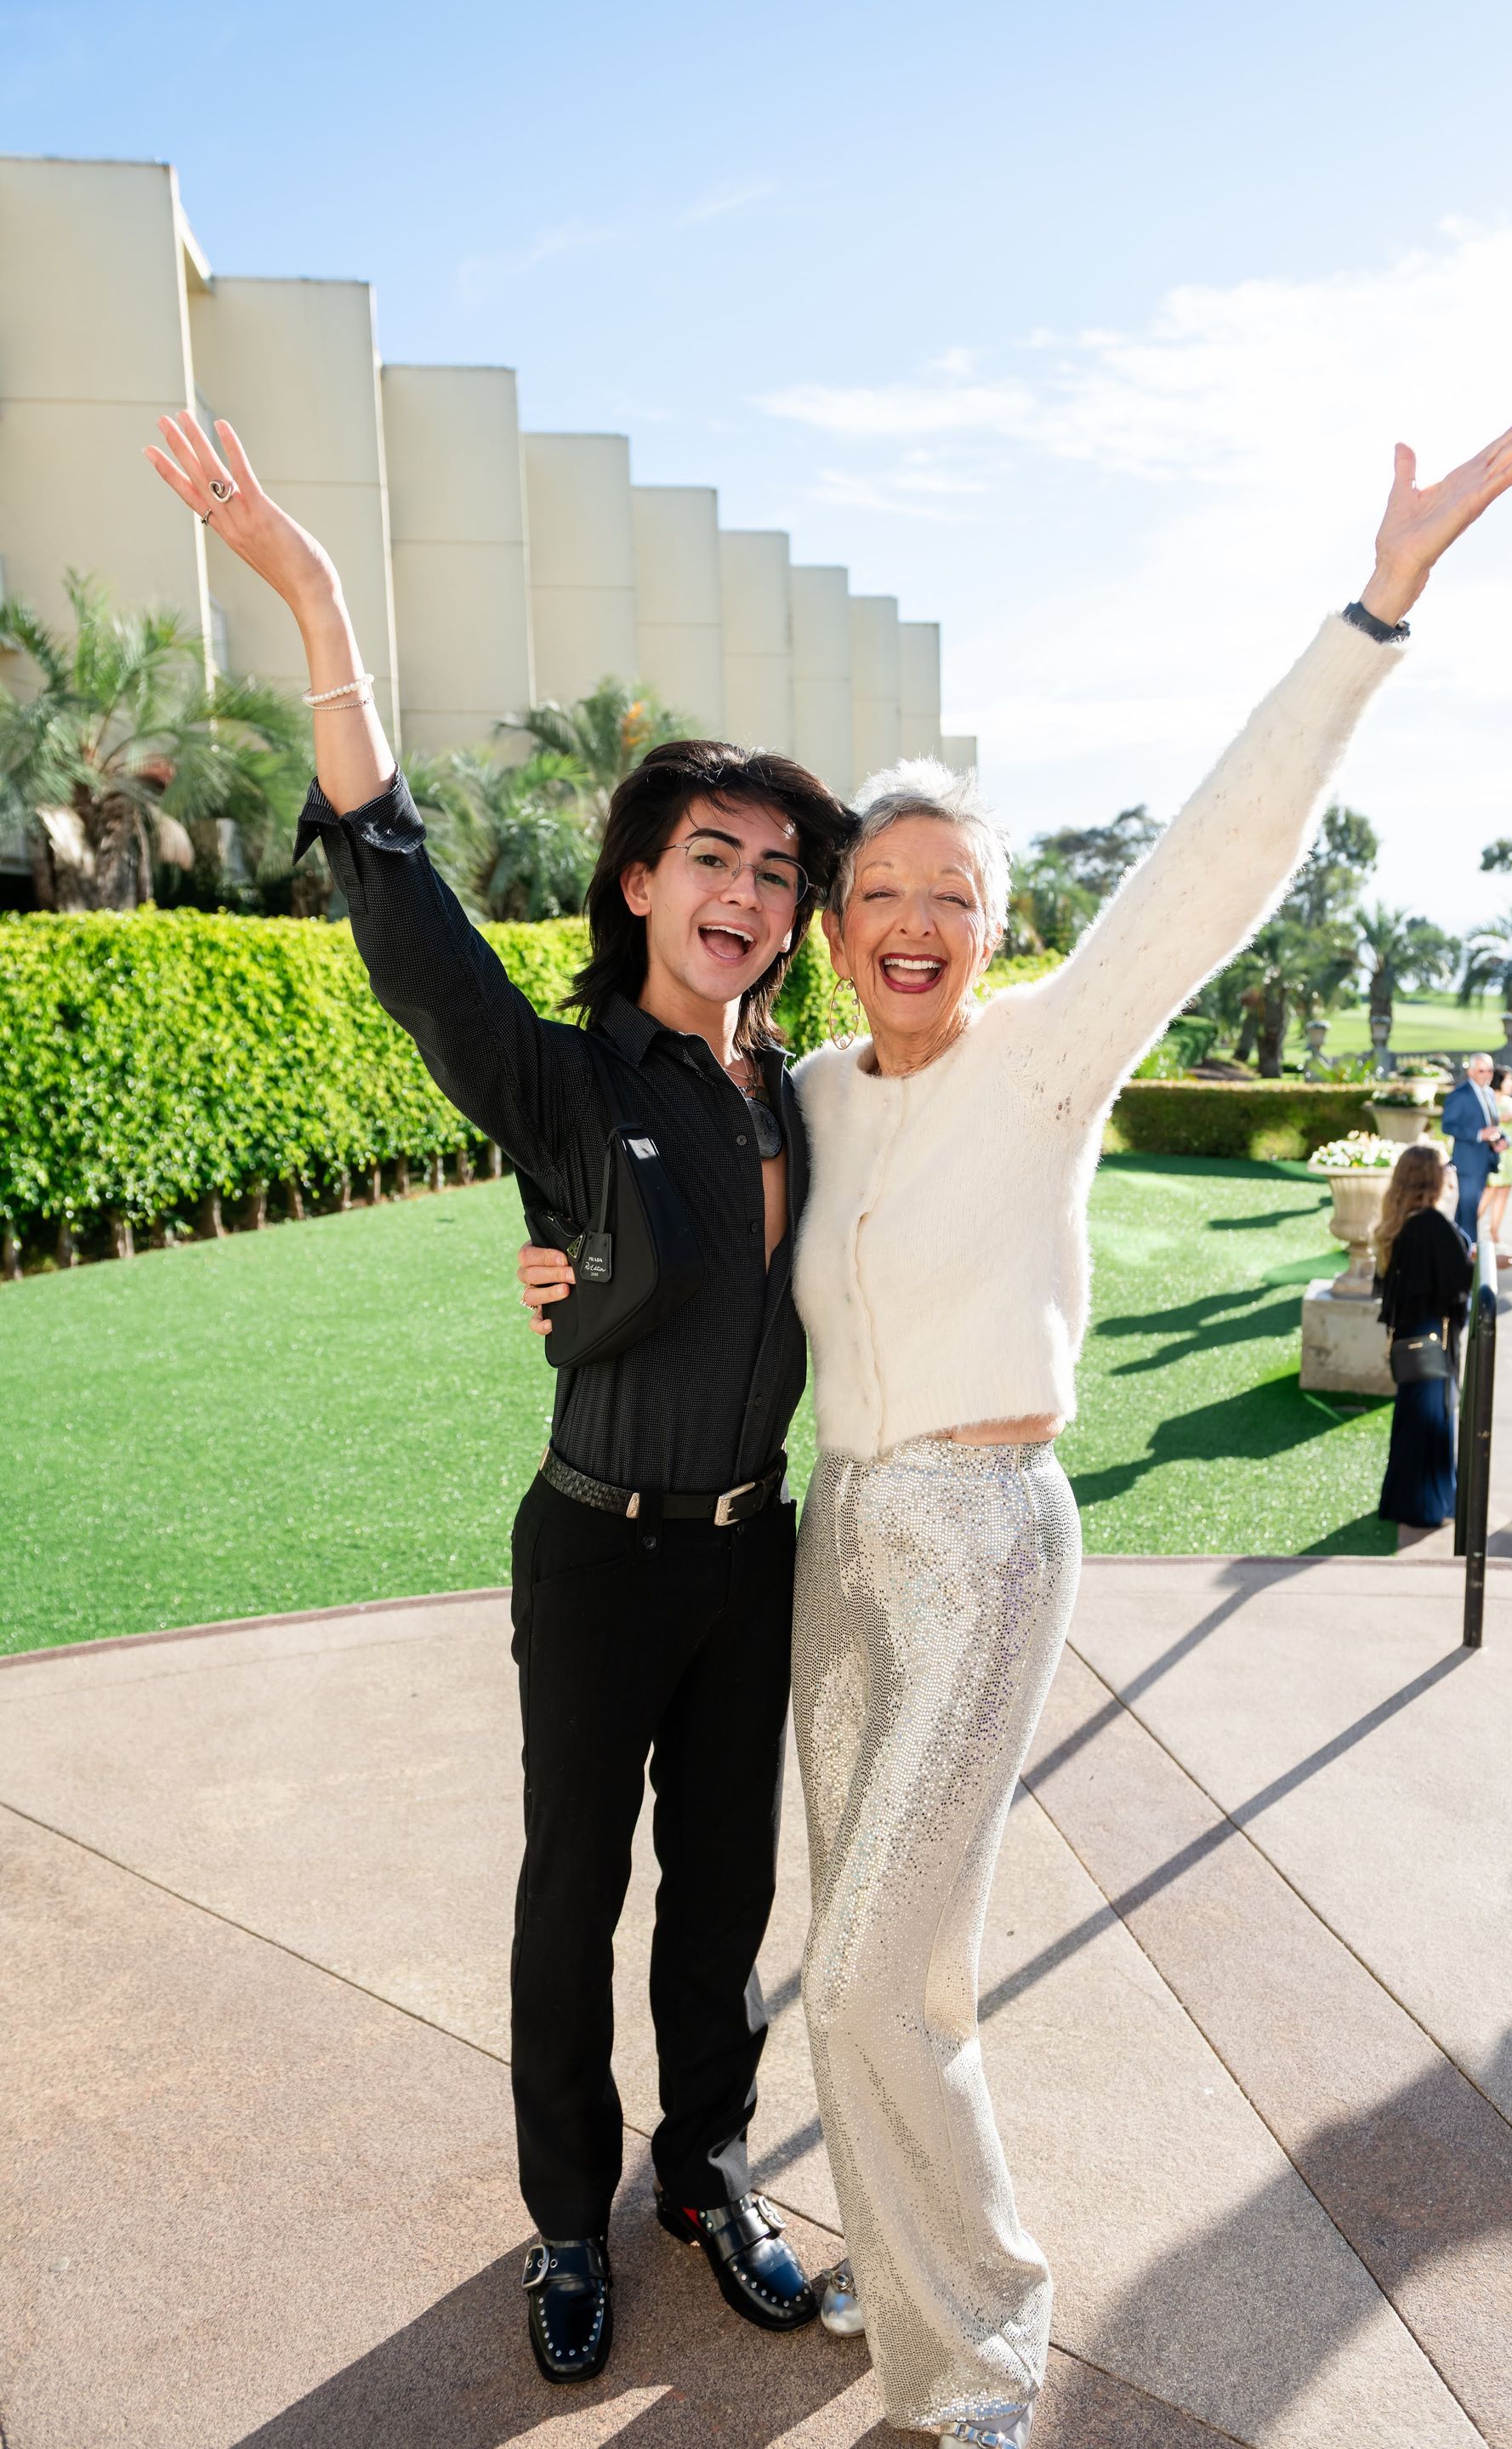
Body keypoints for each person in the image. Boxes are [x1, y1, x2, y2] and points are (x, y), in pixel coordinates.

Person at [776, 385, 1512, 2449]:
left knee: (866, 1974)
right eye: (881, 891)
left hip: (983, 1535)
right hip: (835, 1545)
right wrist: (568, 1267)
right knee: (871, 1958)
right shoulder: (805, 1099)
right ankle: (903, 2276)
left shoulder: (1050, 1056)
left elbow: (1215, 860)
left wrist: (1372, 612)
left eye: (954, 892)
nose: (916, 920)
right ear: (836, 926)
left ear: (997, 922)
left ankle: (981, 2351)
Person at [143, 410, 857, 2383]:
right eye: (710, 856)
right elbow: (405, 916)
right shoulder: (564, 1076)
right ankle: (567, 2216)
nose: (746, 890)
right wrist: (318, 600)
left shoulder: (814, 1096)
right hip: (598, 1550)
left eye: (775, 871)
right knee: (573, 1897)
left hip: (756, 1554)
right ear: (638, 883)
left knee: (726, 1894)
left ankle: (706, 2175)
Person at [1375, 1144, 1474, 1529]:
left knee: (1416, 1417)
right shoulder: (1429, 1223)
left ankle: (1415, 1501)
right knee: (1429, 1420)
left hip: (1414, 1334)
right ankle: (1424, 1506)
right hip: (1432, 1336)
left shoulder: (1404, 1220)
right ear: (1431, 1177)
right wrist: (1483, 1263)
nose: (1451, 1171)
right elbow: (1453, 1281)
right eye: (1445, 1166)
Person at [1441, 1051, 1506, 1242]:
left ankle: (1459, 1249)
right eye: (1481, 1071)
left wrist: (1503, 1140)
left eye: (1490, 1071)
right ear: (1470, 1072)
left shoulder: (1489, 1093)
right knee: (1469, 1214)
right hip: (1467, 1164)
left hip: (1485, 1162)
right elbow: (1448, 1126)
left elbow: (1493, 1125)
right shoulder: (1459, 1095)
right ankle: (1470, 1252)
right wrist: (1478, 1134)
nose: (1487, 1075)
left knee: (1467, 1213)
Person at [1477, 1065, 1512, 1258]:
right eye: (1509, 1080)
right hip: (1497, 1154)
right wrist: (1502, 1118)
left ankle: (1494, 1232)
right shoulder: (1487, 1098)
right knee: (1489, 1192)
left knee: (1503, 1195)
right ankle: (1470, 1228)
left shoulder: (1509, 1101)